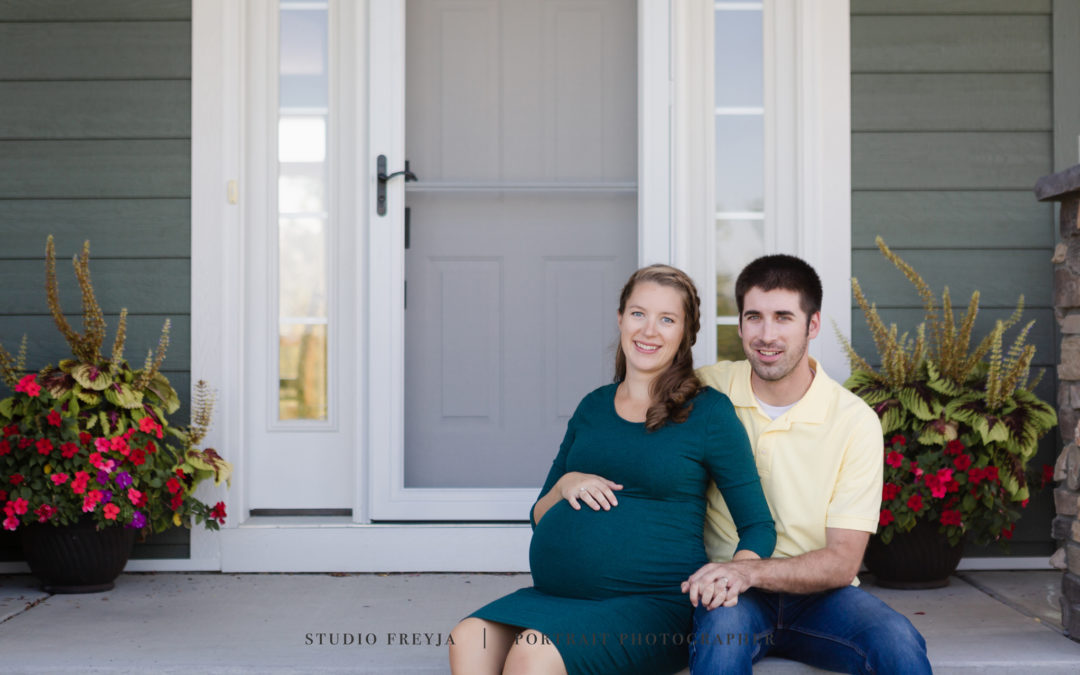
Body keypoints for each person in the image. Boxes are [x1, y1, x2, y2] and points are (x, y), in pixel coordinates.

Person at [449, 265, 776, 675]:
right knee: (467, 638)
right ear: (620, 318)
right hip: (556, 597)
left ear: (685, 334)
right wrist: (566, 483)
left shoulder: (708, 413)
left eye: (667, 319)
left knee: (532, 654)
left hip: (652, 604)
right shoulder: (593, 407)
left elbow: (759, 526)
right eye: (639, 314)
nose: (649, 331)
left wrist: (731, 575)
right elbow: (538, 515)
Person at [683, 254, 932, 674]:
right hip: (732, 595)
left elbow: (841, 561)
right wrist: (572, 478)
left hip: (823, 597)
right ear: (740, 325)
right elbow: (634, 406)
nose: (766, 334)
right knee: (720, 648)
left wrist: (751, 572)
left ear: (812, 325)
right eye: (754, 317)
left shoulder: (853, 421)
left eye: (783, 317)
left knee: (899, 642)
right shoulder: (708, 389)